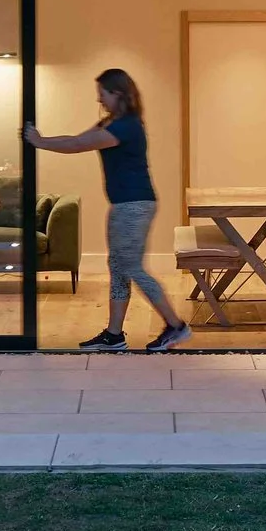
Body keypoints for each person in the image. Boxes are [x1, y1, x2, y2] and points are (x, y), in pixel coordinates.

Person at [25, 69, 191, 353]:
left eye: (102, 92)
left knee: (131, 267)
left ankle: (176, 326)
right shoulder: (112, 122)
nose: (98, 98)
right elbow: (78, 138)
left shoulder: (125, 127)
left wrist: (40, 142)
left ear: (117, 93)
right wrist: (44, 140)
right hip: (125, 204)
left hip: (134, 205)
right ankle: (114, 336)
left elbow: (77, 145)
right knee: (118, 267)